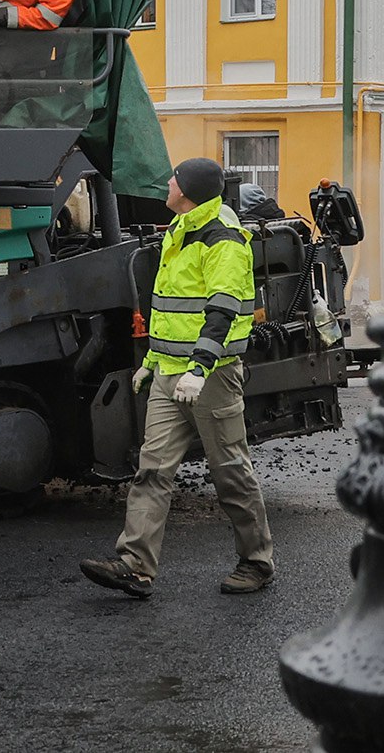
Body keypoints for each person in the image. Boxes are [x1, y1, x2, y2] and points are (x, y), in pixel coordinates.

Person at [80, 157, 274, 599]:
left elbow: (222, 311)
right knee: (152, 469)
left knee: (230, 473)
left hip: (211, 378)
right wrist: (151, 358)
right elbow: (170, 310)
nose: (166, 183)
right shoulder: (181, 228)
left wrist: (200, 369)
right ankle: (135, 566)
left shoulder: (222, 240)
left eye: (173, 179)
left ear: (186, 191)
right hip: (171, 374)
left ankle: (257, 561)